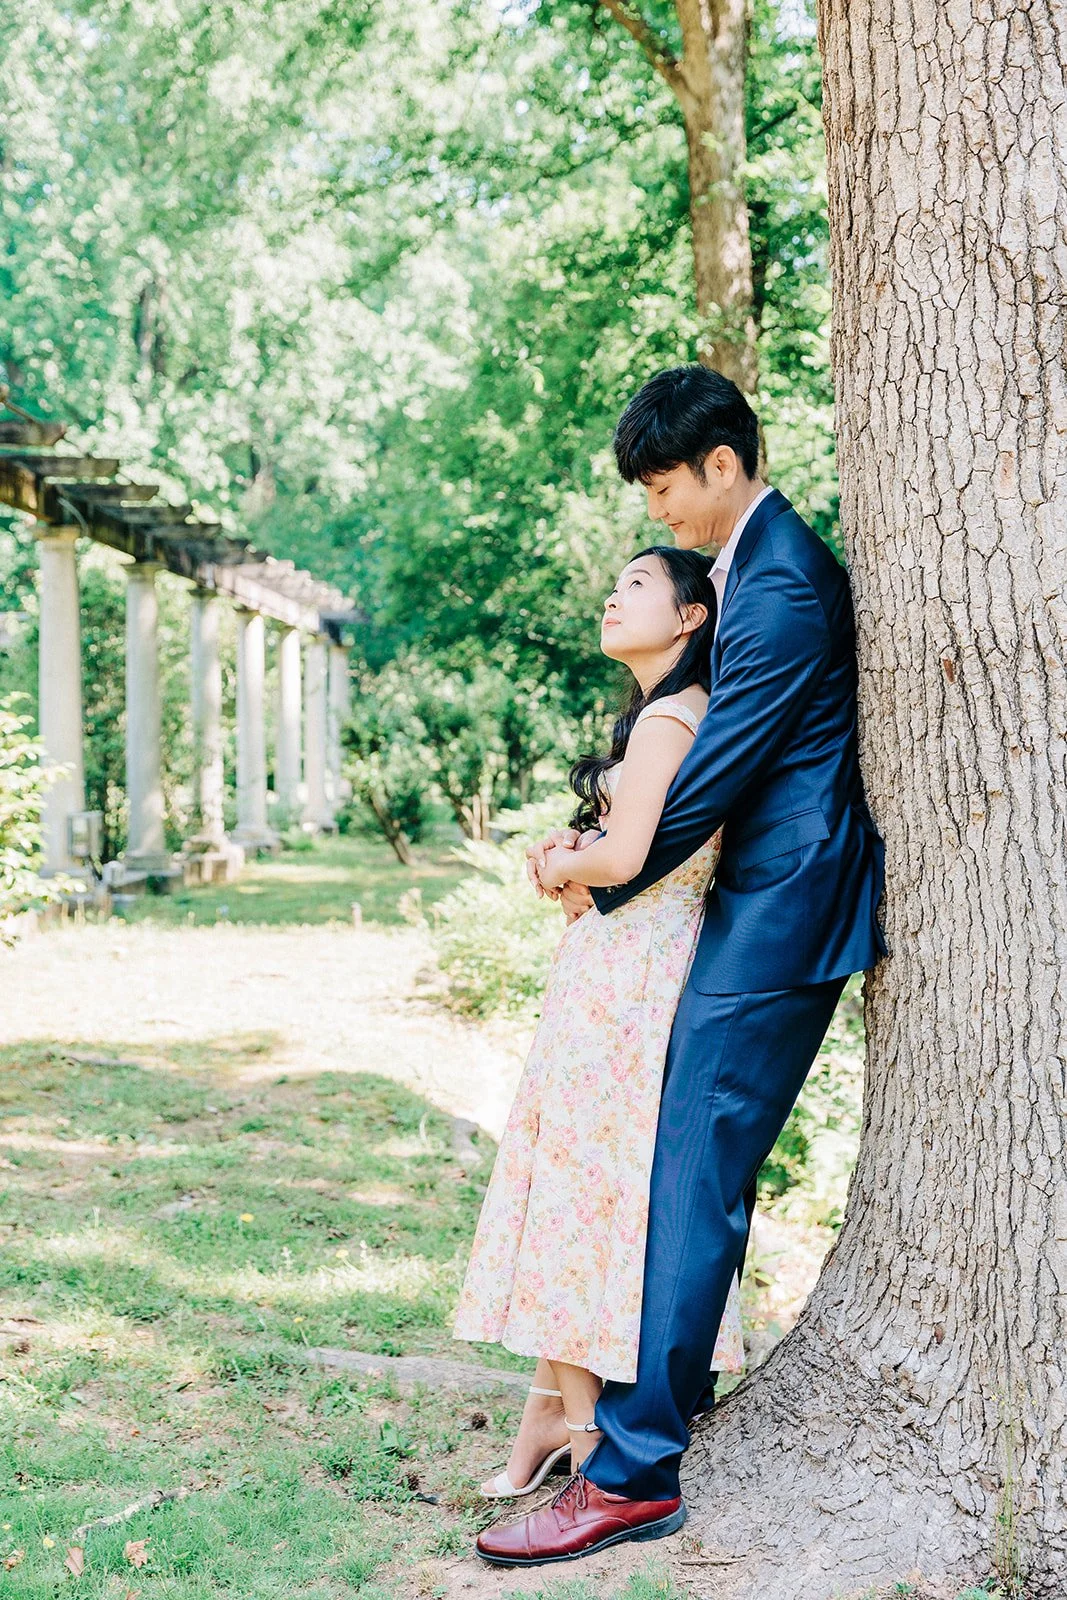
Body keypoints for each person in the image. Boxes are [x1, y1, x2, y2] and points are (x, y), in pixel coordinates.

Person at [475, 365, 886, 1567]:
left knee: (691, 1174)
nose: (655, 510)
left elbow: (719, 768)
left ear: (721, 464)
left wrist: (602, 877)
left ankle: (632, 1470)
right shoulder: (748, 570)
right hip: (752, 905)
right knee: (684, 1166)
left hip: (779, 911)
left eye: (662, 487)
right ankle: (651, 1408)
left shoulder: (781, 580)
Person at [453, 543, 744, 1506]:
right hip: (624, 971)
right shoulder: (671, 713)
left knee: (577, 1196)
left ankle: (586, 1438)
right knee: (579, 1188)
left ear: (691, 616)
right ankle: (546, 1413)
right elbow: (638, 849)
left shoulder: (668, 717)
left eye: (636, 586)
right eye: (613, 586)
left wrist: (559, 863)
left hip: (628, 984)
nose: (612, 599)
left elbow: (625, 861)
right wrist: (577, 851)